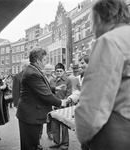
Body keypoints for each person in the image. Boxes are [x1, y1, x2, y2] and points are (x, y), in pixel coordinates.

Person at [74, 0, 130, 149]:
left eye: (91, 24)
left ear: (98, 18)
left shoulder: (109, 41)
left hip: (116, 137)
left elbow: (93, 104)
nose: (92, 30)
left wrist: (83, 136)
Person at [16, 48, 69, 150]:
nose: (46, 63)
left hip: (31, 113)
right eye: (45, 60)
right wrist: (61, 102)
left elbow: (40, 87)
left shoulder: (33, 70)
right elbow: (45, 95)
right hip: (30, 114)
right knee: (30, 145)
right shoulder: (33, 73)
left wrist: (55, 88)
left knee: (33, 142)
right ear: (38, 61)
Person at [49, 63, 72, 150]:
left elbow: (69, 93)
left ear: (64, 71)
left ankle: (65, 144)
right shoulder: (52, 81)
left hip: (64, 106)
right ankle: (56, 142)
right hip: (54, 105)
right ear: (55, 72)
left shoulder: (68, 80)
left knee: (64, 126)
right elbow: (50, 93)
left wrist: (64, 102)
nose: (58, 72)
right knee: (54, 125)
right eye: (57, 71)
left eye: (60, 71)